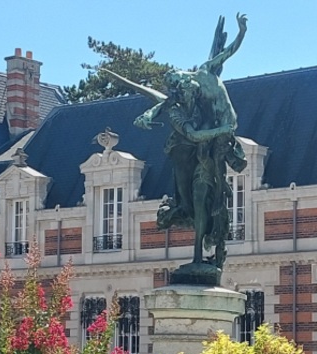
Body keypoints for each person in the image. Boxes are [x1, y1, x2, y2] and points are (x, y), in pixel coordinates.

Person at [103, 14, 247, 277]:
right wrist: (148, 116)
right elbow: (171, 113)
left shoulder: (204, 72)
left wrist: (242, 32)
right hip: (201, 142)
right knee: (192, 198)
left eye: (183, 86)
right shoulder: (179, 108)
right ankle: (193, 233)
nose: (185, 91)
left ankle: (211, 245)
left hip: (219, 136)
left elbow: (228, 52)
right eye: (181, 91)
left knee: (209, 194)